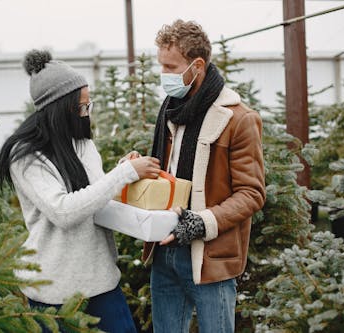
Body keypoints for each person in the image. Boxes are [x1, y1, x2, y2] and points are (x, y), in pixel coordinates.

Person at [0, 50, 161, 333]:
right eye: (81, 107)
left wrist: (123, 172)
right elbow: (64, 212)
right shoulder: (26, 157)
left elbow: (96, 196)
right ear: (59, 108)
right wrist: (122, 175)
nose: (86, 113)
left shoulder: (82, 144)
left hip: (102, 282)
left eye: (88, 105)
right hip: (55, 292)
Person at [142, 20, 266, 332]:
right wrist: (139, 167)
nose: (164, 75)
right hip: (165, 250)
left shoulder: (238, 120)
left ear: (197, 66)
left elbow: (252, 193)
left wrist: (201, 223)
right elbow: (168, 172)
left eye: (170, 67)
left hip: (209, 258)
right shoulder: (172, 110)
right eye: (161, 66)